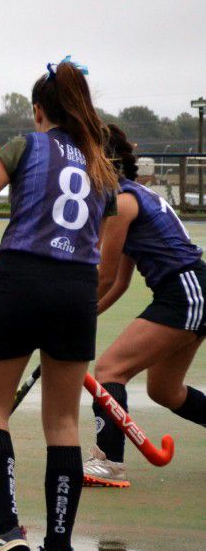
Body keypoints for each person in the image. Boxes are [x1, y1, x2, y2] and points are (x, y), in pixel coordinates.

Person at [0, 58, 117, 551]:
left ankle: (5, 528)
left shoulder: (24, 145)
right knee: (64, 424)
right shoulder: (100, 163)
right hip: (76, 290)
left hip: (21, 279)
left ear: (40, 110)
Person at [84, 124, 205, 488]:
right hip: (189, 290)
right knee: (165, 391)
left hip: (185, 291)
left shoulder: (121, 203)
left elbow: (103, 279)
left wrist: (68, 317)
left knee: (109, 370)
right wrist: (84, 317)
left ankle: (109, 463)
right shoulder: (130, 196)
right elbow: (120, 283)